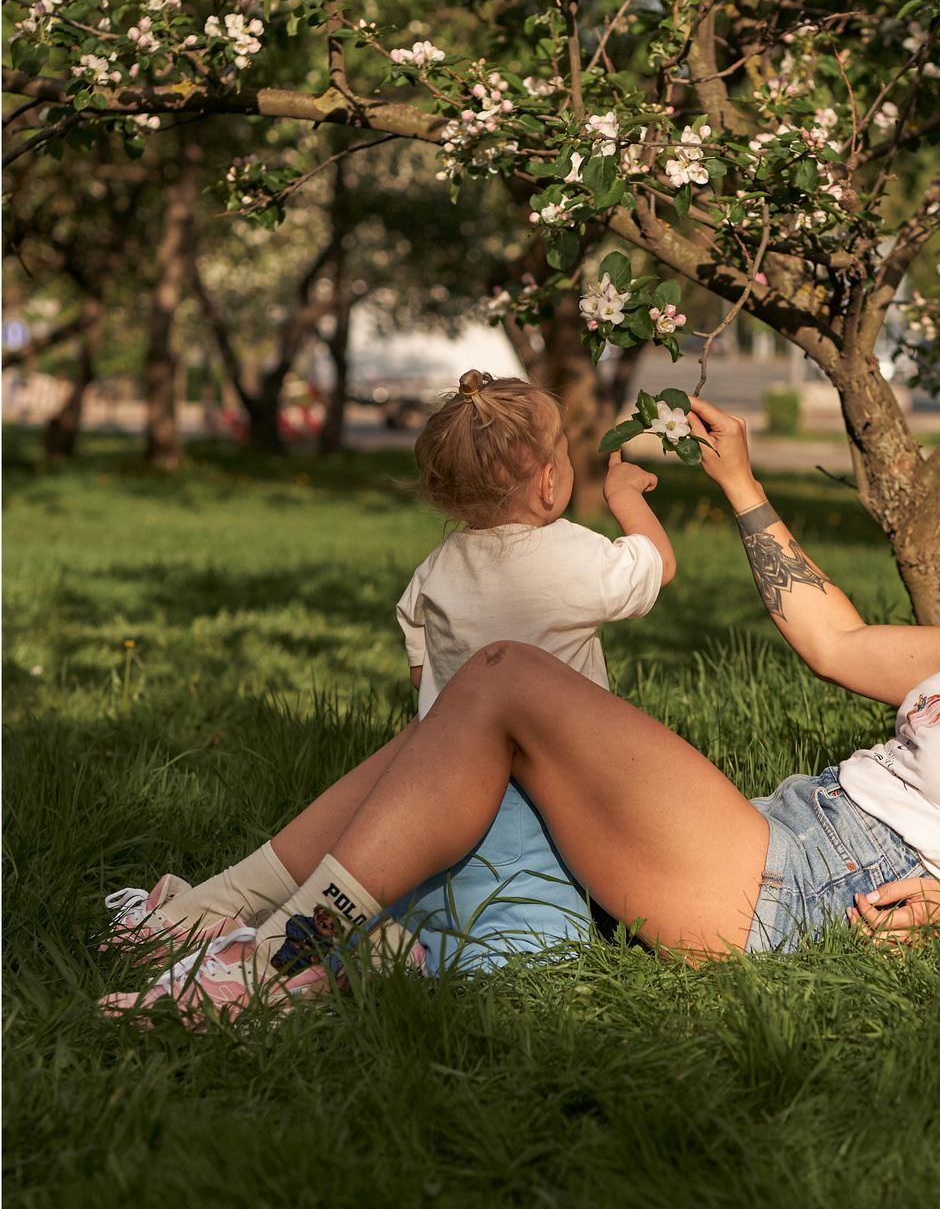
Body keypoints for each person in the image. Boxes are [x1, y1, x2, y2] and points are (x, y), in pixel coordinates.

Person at [103, 413, 940, 1021]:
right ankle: (213, 920)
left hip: (804, 893)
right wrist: (740, 484)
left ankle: (276, 953)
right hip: (772, 833)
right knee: (444, 740)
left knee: (495, 680)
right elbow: (831, 641)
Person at [102, 372, 674, 959]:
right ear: (550, 482)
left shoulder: (435, 572)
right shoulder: (574, 556)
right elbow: (658, 565)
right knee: (520, 945)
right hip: (538, 811)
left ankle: (220, 923)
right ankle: (304, 962)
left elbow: (423, 686)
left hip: (426, 805)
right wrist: (626, 498)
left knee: (423, 910)